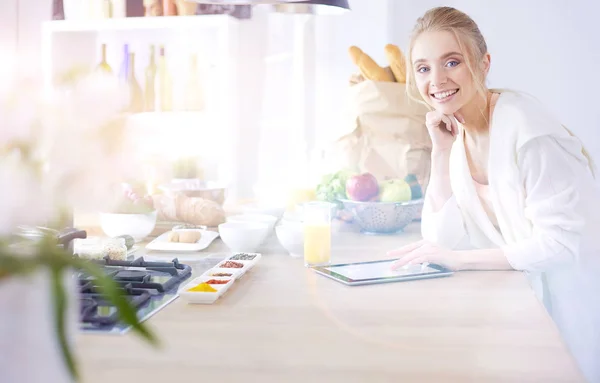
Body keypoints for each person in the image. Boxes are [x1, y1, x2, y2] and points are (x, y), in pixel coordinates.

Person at [387, 6, 600, 382]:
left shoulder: (529, 132)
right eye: (423, 68)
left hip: (573, 318)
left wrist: (459, 261)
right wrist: (439, 151)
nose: (436, 80)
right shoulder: (459, 132)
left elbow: (562, 244)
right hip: (522, 314)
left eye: (451, 62)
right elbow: (439, 238)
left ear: (483, 64)